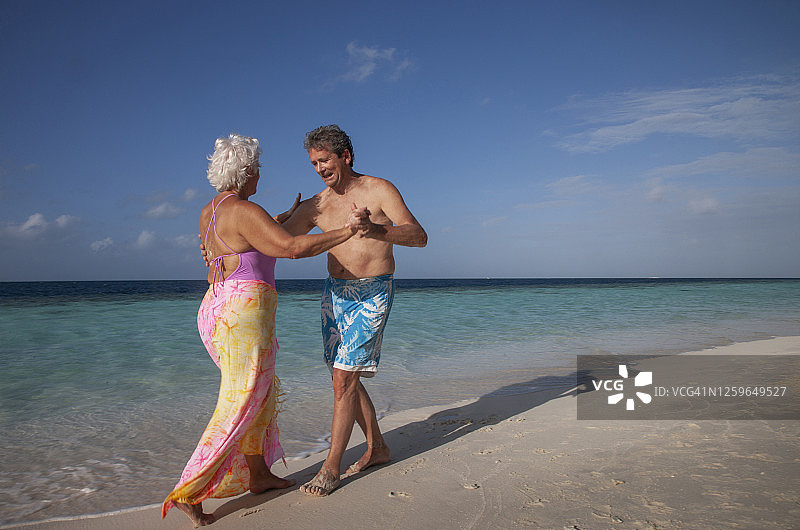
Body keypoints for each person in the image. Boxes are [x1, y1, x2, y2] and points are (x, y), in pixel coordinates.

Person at [162, 133, 367, 526]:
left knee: (260, 392)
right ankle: (189, 490)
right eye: (257, 168)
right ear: (247, 171)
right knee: (239, 400)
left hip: (215, 310)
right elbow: (290, 249)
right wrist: (347, 231)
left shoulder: (211, 210)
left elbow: (240, 245)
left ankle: (257, 475)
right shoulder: (245, 209)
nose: (260, 175)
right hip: (243, 315)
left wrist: (276, 220)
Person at [281, 124, 428, 496]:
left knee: (343, 378)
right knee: (344, 373)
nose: (319, 168)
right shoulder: (317, 204)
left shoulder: (379, 189)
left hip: (373, 292)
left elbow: (418, 235)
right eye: (314, 162)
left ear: (345, 156)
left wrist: (374, 230)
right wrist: (280, 216)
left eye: (325, 159)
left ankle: (330, 468)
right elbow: (282, 239)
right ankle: (378, 447)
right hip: (335, 294)